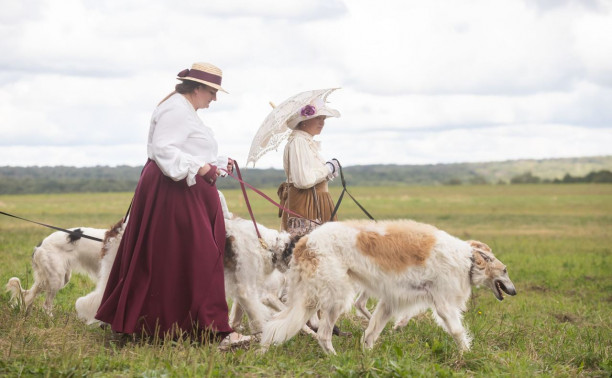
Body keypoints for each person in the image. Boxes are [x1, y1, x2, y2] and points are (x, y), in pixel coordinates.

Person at [95, 62, 250, 348]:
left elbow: (187, 150)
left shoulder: (184, 110)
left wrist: (216, 162)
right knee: (195, 255)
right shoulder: (175, 109)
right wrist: (201, 167)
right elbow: (164, 149)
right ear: (198, 87)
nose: (214, 98)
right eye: (212, 91)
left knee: (180, 257)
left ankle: (172, 325)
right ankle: (210, 329)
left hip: (182, 191)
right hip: (173, 192)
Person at [278, 97, 341, 235]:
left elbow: (310, 175)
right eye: (318, 118)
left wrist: (328, 171)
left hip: (317, 201)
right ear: (304, 120)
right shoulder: (299, 142)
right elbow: (303, 180)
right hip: (307, 204)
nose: (322, 123)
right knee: (308, 250)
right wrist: (328, 168)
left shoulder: (305, 142)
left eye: (324, 119)